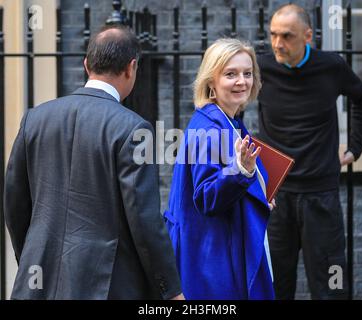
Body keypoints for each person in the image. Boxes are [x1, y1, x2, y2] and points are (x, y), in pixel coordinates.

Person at [4, 24, 183, 300]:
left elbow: (15, 205)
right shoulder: (133, 128)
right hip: (105, 284)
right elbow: (144, 220)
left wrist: (32, 258)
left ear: (87, 65)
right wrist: (170, 290)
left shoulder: (35, 119)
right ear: (131, 68)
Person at [257, 4, 362, 300]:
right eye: (273, 35)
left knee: (331, 284)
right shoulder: (261, 68)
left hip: (321, 194)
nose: (278, 44)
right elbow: (228, 100)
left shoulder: (331, 67)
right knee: (274, 285)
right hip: (275, 195)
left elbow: (361, 97)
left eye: (287, 36)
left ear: (308, 36)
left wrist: (356, 146)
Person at [164, 38, 275, 300]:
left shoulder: (229, 119)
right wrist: (240, 170)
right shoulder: (209, 129)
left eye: (247, 73)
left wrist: (260, 195)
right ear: (211, 81)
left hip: (217, 252)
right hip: (212, 261)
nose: (242, 81)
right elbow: (206, 197)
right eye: (230, 74)